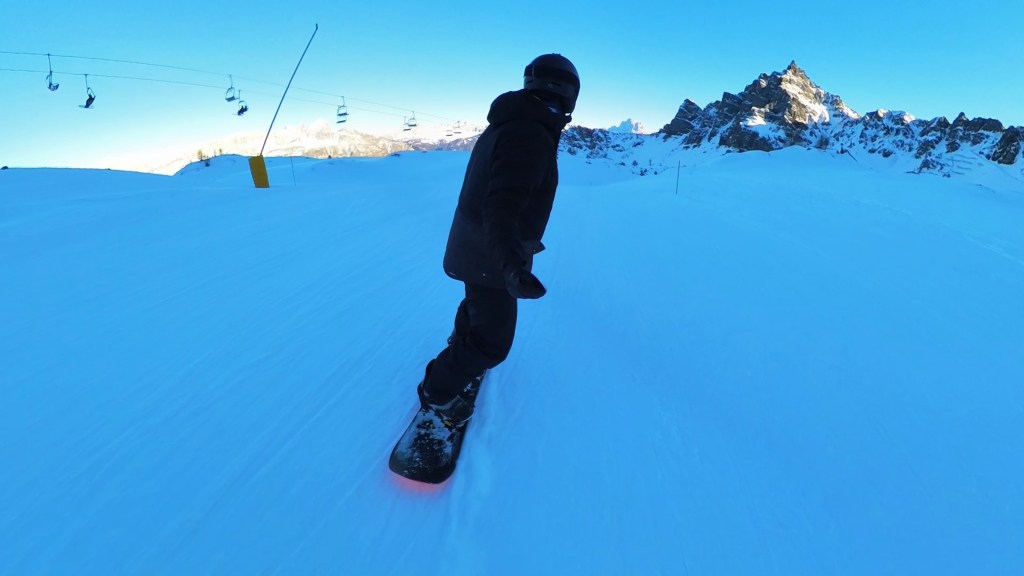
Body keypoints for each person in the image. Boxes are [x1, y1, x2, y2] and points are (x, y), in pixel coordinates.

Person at [415, 54, 580, 429]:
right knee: (493, 343)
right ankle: (437, 393)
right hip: (490, 254)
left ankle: (461, 342)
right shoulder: (530, 133)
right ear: (569, 94)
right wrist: (512, 267)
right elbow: (502, 207)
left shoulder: (515, 120)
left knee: (479, 306)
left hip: (477, 245)